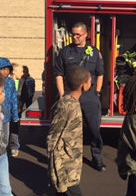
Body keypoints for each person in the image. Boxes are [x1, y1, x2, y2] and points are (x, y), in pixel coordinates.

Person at [54, 22, 106, 172]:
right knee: (68, 129)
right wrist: (63, 95)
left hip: (90, 96)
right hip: (71, 96)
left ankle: (97, 159)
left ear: (86, 34)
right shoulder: (65, 52)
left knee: (94, 129)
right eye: (73, 34)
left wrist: (97, 91)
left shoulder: (95, 52)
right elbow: (58, 74)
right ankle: (67, 159)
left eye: (78, 34)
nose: (75, 37)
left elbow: (100, 73)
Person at [47, 66, 91, 196]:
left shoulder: (73, 103)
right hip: (66, 166)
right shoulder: (67, 106)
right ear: (84, 86)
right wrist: (56, 171)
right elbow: (53, 139)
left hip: (71, 162)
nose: (91, 83)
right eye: (89, 81)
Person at [0, 58, 20, 157]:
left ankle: (3, 154)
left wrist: (15, 115)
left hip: (6, 116)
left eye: (7, 69)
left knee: (5, 137)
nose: (5, 72)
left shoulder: (11, 82)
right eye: (2, 69)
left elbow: (13, 99)